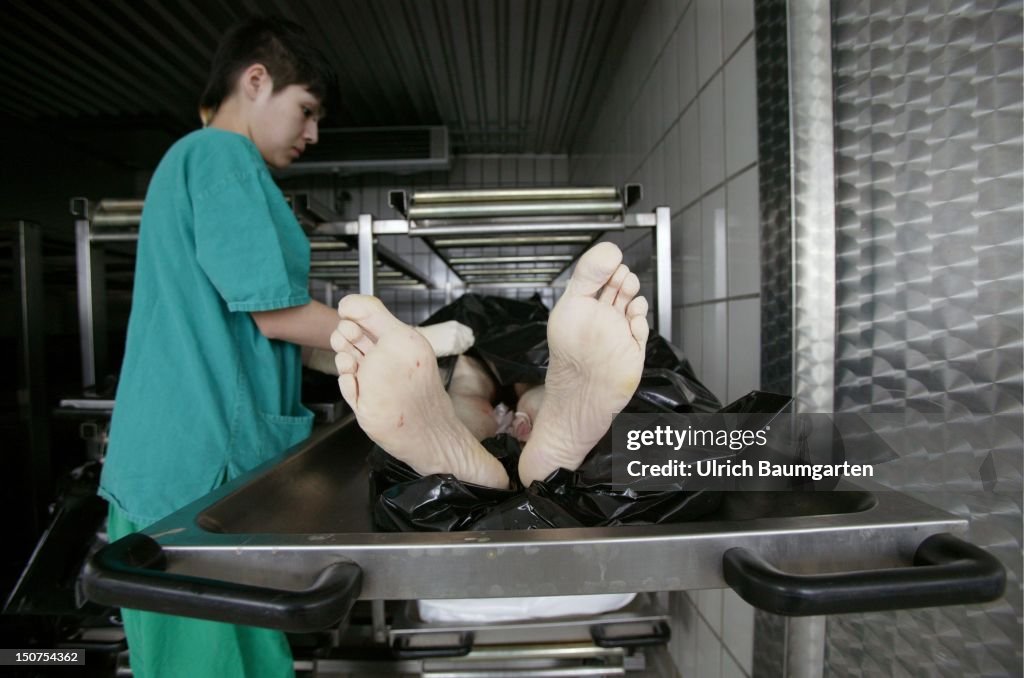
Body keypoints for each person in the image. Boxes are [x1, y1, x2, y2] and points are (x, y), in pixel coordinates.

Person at [98, 16, 342, 678]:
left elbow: (252, 324)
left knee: (237, 654)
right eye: (307, 110)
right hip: (189, 472)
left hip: (196, 470)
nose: (312, 134)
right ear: (257, 81)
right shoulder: (217, 156)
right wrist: (395, 339)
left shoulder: (205, 165)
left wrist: (346, 352)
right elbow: (276, 316)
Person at [331, 241, 650, 488]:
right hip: (538, 360)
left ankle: (461, 438)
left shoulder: (471, 314)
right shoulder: (529, 316)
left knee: (466, 379)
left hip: (476, 363)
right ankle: (543, 414)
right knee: (535, 377)